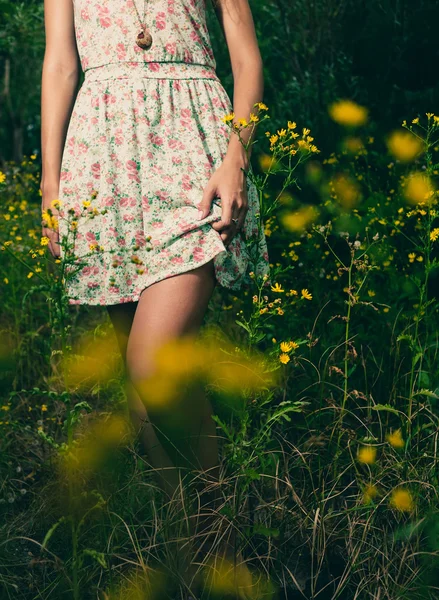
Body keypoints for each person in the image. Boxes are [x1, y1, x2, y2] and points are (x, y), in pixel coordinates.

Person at [40, 0, 269, 587]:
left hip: (192, 145)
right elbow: (62, 63)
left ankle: (227, 551)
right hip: (102, 155)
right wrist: (51, 182)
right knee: (143, 397)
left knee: (152, 363)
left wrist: (236, 158)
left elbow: (245, 54)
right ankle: (191, 556)